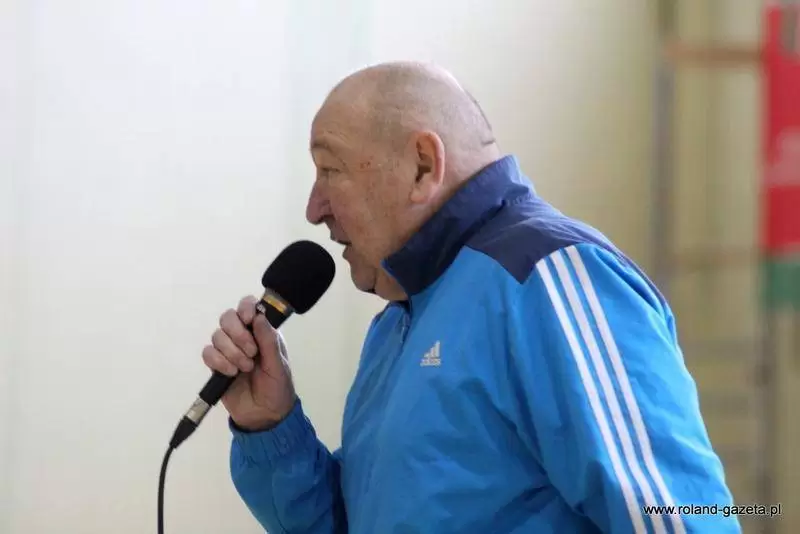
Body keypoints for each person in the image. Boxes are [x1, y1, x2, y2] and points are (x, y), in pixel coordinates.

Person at [201, 61, 741, 533]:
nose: (314, 208)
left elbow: (679, 519)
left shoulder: (547, 277)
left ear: (422, 166)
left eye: (330, 170)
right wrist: (269, 425)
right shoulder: (397, 324)